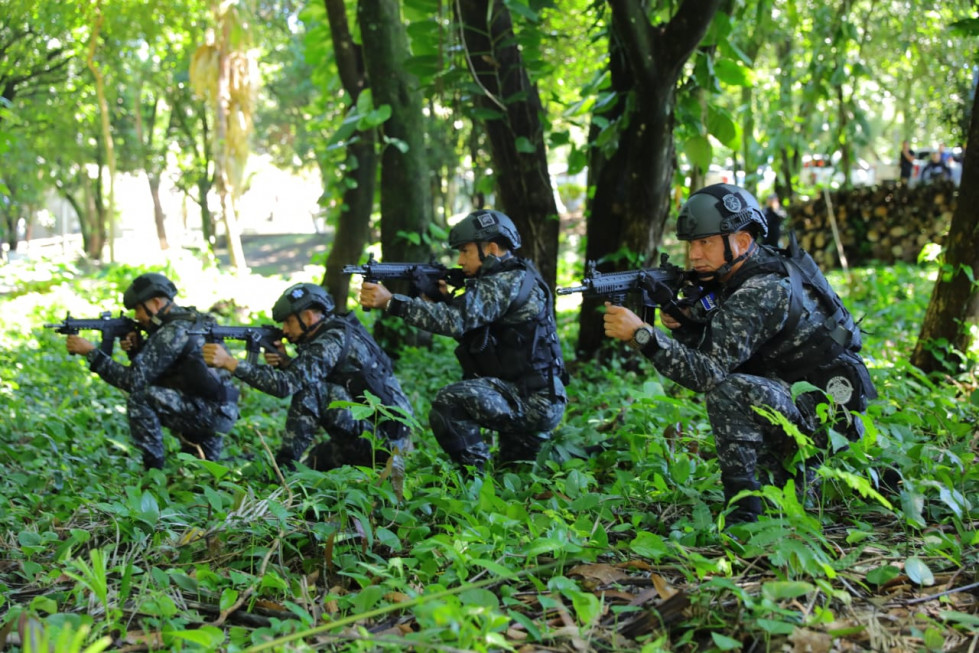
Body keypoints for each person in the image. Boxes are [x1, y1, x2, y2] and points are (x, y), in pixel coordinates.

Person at [603, 184, 875, 524]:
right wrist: (686, 324)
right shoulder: (746, 272)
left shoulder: (760, 289)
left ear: (742, 242)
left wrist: (642, 335)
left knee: (727, 391)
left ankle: (744, 513)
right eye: (691, 244)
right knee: (736, 389)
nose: (694, 255)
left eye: (706, 242)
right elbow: (727, 348)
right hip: (800, 396)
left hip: (826, 416)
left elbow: (707, 373)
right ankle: (789, 480)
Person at [358, 209, 569, 472]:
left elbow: (455, 321)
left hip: (532, 400)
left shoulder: (503, 282)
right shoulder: (514, 276)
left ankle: (475, 479)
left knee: (450, 402)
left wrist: (391, 302)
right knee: (518, 472)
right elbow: (475, 326)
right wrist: (443, 298)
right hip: (532, 394)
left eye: (465, 251)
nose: (459, 260)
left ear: (491, 248)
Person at [203, 282, 413, 471]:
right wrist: (286, 363)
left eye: (288, 322)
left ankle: (284, 468)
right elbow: (325, 375)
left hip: (386, 444)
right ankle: (293, 470)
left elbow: (285, 386)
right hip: (384, 436)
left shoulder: (330, 341)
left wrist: (230, 363)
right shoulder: (337, 331)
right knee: (316, 461)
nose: (284, 330)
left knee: (310, 390)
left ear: (308, 316)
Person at [64, 273, 240, 470]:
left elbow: (133, 381)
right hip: (219, 409)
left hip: (208, 412)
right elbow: (170, 372)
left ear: (156, 303)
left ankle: (152, 471)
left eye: (139, 309)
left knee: (141, 397)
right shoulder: (192, 320)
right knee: (200, 477)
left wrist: (91, 353)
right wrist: (136, 350)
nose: (137, 317)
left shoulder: (171, 331)